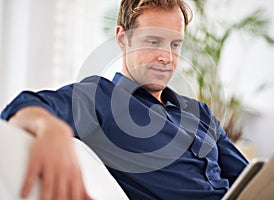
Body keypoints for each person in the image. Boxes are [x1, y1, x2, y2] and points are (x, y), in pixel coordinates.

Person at [0, 0, 249, 199]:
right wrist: (49, 127)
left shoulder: (200, 112)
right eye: (154, 41)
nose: (167, 57)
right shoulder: (101, 97)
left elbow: (251, 180)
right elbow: (22, 107)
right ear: (123, 38)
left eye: (175, 44)